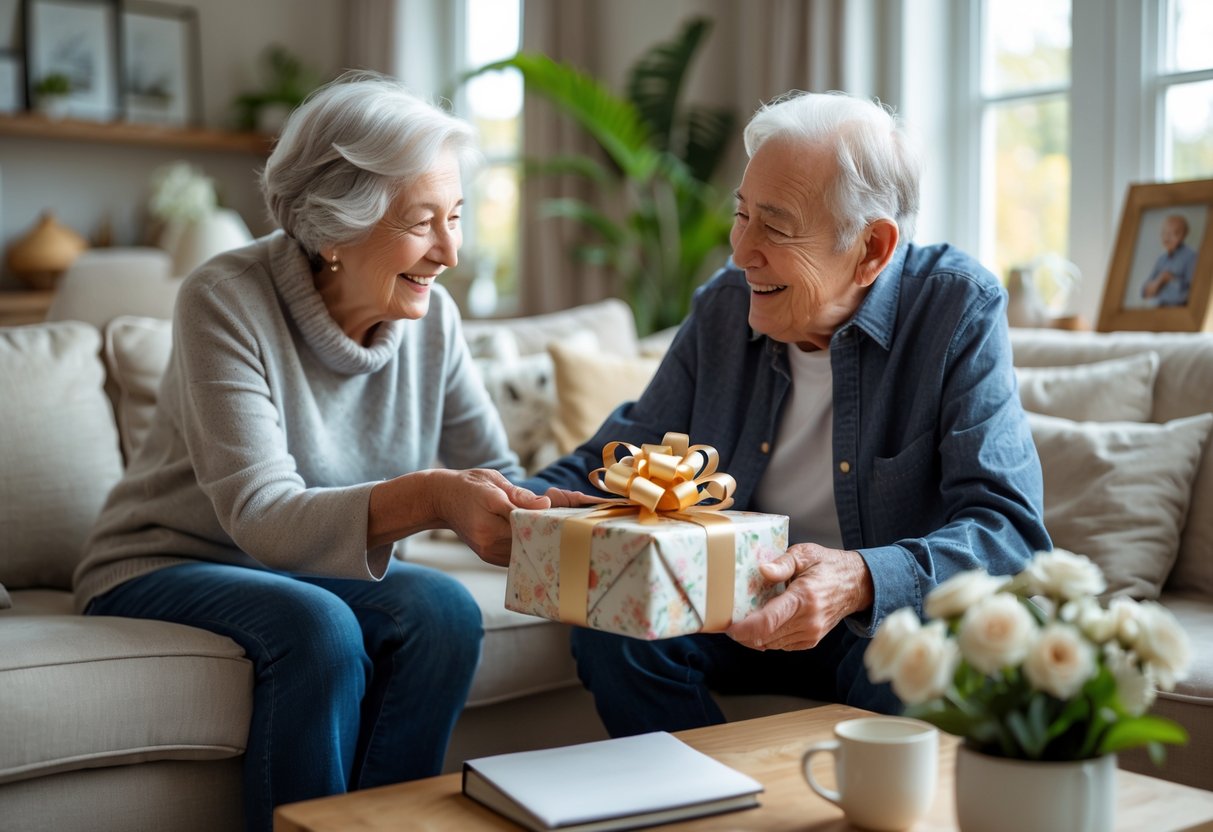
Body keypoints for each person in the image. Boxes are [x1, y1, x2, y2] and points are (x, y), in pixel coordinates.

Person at [74, 72, 567, 831]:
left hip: (305, 569)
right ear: (335, 226)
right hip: (167, 558)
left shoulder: (433, 320)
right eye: (422, 222)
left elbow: (495, 472)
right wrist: (433, 495)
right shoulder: (224, 298)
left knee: (441, 608)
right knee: (320, 628)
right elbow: (263, 517)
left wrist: (563, 511)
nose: (450, 252)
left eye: (457, 217)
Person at [525, 90, 1052, 735]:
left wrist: (858, 579)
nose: (742, 250)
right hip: (739, 606)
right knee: (615, 632)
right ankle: (703, 800)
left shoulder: (956, 310)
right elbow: (626, 453)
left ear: (871, 250)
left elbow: (1009, 531)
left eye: (774, 227)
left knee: (919, 666)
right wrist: (519, 503)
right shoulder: (723, 306)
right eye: (741, 215)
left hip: (879, 621)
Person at [1141, 214, 1197, 306]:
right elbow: (1145, 292)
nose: (1166, 238)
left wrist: (1170, 280)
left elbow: (1192, 292)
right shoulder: (1161, 260)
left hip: (1180, 311)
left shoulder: (1191, 257)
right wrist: (1160, 280)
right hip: (1158, 309)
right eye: (1164, 233)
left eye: (1172, 234)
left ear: (1183, 235)